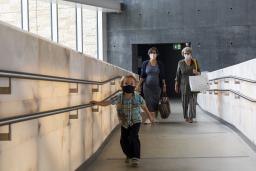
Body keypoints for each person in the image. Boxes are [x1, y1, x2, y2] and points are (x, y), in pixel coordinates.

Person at [90, 75, 154, 167]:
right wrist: (97, 102)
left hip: (135, 121)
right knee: (123, 141)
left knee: (133, 137)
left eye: (131, 83)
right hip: (124, 123)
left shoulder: (138, 97)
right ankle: (129, 155)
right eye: (126, 83)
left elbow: (145, 107)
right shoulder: (119, 97)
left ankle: (135, 157)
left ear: (135, 85)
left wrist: (150, 117)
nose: (129, 85)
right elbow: (107, 102)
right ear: (122, 85)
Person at [137, 47, 166, 123]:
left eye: (154, 53)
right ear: (149, 54)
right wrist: (139, 85)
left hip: (157, 87)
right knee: (148, 102)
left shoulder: (159, 63)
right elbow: (142, 75)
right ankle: (149, 118)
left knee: (155, 102)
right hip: (147, 86)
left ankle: (154, 118)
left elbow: (162, 75)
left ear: (157, 54)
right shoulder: (145, 63)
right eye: (151, 53)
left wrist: (164, 85)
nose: (153, 54)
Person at [175, 47, 201, 123]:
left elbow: (200, 73)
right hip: (184, 85)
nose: (187, 55)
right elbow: (177, 74)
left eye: (188, 53)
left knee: (192, 102)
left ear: (191, 54)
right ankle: (186, 116)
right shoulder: (180, 63)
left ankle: (191, 117)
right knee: (185, 102)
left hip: (194, 85)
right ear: (183, 54)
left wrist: (196, 72)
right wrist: (176, 84)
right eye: (185, 53)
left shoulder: (195, 62)